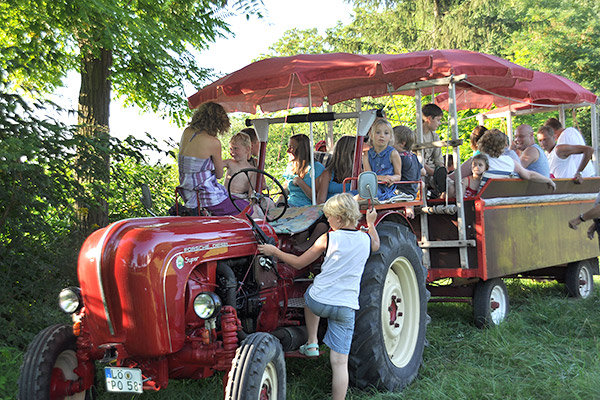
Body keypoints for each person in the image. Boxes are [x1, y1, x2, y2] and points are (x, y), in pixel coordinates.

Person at [257, 193, 380, 400]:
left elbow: (297, 263)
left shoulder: (328, 238)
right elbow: (376, 243)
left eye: (329, 217)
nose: (327, 221)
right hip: (346, 308)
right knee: (340, 363)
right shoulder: (365, 239)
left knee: (309, 292)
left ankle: (312, 341)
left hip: (319, 302)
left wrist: (274, 251)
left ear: (338, 219)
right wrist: (370, 223)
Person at [177, 102, 243, 216]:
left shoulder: (187, 132)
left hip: (188, 195)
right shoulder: (213, 142)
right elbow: (219, 174)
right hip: (206, 198)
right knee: (248, 209)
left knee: (236, 200)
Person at [477, 129, 556, 191]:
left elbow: (464, 175)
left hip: (482, 201)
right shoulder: (510, 162)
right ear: (503, 145)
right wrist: (548, 180)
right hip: (504, 201)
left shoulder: (477, 161)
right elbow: (529, 175)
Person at [362, 118, 402, 201]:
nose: (382, 135)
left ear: (390, 137)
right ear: (371, 135)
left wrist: (391, 178)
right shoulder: (367, 154)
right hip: (370, 187)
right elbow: (368, 175)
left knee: (367, 196)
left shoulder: (393, 153)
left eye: (386, 133)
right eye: (378, 132)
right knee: (350, 194)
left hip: (385, 189)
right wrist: (380, 177)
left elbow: (398, 175)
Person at [282, 134, 325, 207]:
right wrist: (280, 202)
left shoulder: (316, 168)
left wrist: (300, 182)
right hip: (289, 205)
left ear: (301, 150)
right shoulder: (291, 166)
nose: (288, 151)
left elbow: (317, 198)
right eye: (288, 147)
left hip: (306, 208)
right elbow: (284, 190)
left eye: (291, 147)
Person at [316, 136, 356, 204]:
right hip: (332, 210)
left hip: (352, 210)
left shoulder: (358, 172)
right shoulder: (328, 173)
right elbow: (320, 201)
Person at [420, 104, 447, 197]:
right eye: (438, 120)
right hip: (422, 172)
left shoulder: (435, 136)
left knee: (450, 185)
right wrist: (434, 173)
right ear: (429, 119)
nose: (439, 123)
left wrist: (440, 171)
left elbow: (438, 159)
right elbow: (418, 161)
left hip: (433, 172)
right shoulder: (415, 136)